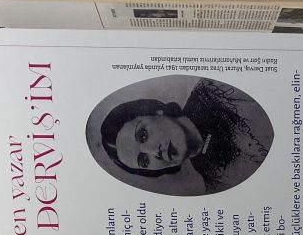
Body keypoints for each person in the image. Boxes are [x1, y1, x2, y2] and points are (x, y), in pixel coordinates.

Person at [94, 76, 273, 195]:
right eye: (144, 161)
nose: (154, 152)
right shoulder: (217, 184)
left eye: (143, 135)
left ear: (156, 111)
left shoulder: (219, 90)